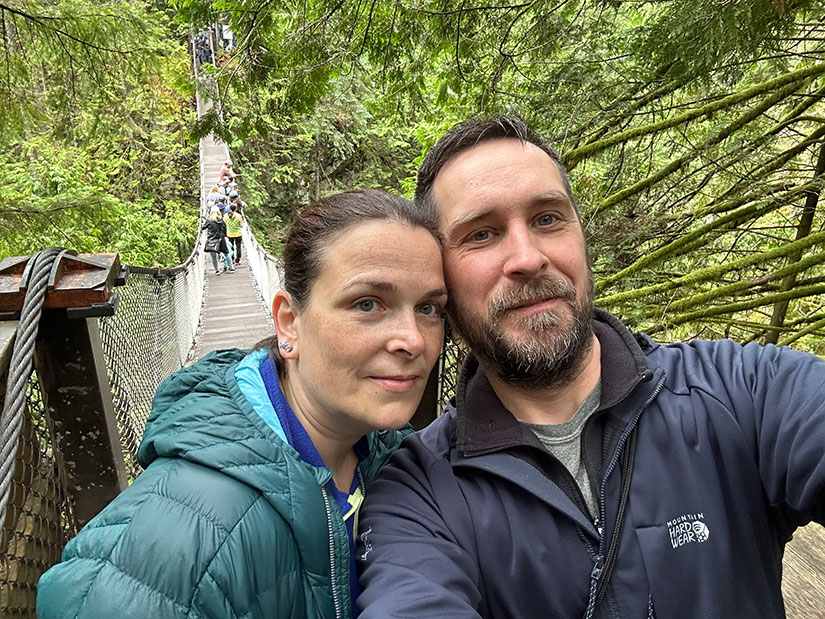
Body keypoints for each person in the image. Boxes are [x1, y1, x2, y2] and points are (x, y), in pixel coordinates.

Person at [356, 116, 825, 619]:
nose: (527, 258)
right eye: (482, 234)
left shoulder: (741, 391)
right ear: (441, 280)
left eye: (547, 219)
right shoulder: (419, 492)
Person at [36, 189, 448, 619]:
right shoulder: (179, 551)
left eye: (429, 308)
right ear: (289, 323)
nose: (414, 340)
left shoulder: (392, 455)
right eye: (367, 304)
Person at [203, 206, 233, 274]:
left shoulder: (209, 221)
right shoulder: (221, 220)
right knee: (226, 253)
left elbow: (203, 228)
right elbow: (225, 229)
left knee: (213, 257)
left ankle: (217, 271)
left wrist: (203, 221)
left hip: (212, 240)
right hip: (221, 239)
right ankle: (231, 268)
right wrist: (226, 236)